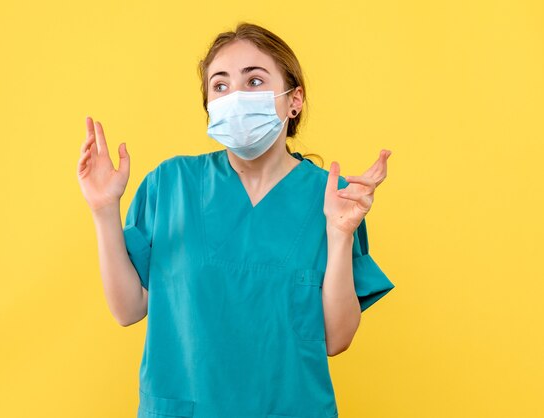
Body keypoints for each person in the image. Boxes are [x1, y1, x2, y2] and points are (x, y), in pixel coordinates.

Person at [77, 22, 394, 418]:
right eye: (220, 86)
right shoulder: (171, 184)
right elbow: (128, 310)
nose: (236, 97)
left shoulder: (333, 198)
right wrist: (104, 209)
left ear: (294, 100)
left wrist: (341, 232)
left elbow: (336, 338)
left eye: (255, 80)